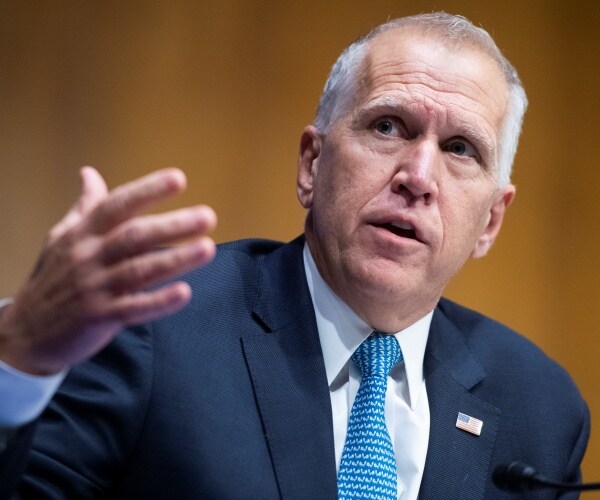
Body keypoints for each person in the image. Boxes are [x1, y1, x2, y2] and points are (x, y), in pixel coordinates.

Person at [0, 12, 589, 500]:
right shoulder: (156, 326)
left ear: (490, 220)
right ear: (312, 165)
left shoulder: (538, 410)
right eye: (388, 126)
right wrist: (20, 361)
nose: (418, 175)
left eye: (460, 149)